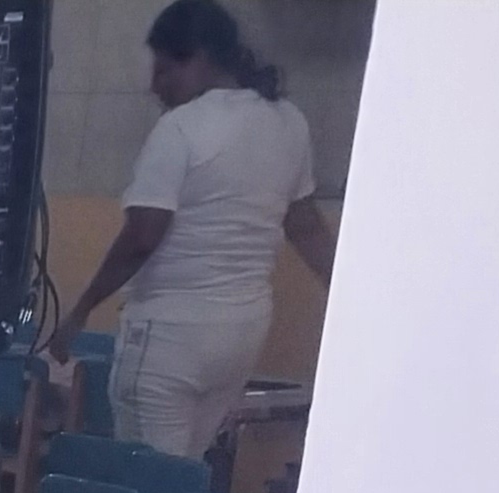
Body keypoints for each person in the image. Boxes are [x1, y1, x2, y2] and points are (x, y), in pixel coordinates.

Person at [45, 0, 334, 469]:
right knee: (188, 472)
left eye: (164, 70)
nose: (154, 85)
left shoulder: (181, 128)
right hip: (242, 331)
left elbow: (143, 237)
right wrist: (345, 296)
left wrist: (80, 311)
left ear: (199, 58)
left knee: (147, 478)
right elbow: (305, 226)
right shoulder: (288, 122)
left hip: (171, 333)